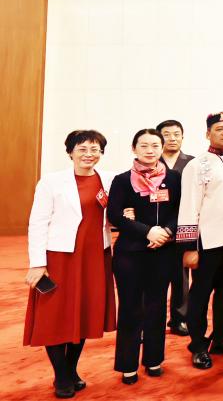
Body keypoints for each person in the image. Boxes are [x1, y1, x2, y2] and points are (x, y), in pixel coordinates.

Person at [25, 130, 116, 398]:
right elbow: (38, 222)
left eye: (95, 149)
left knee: (85, 313)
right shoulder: (51, 182)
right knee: (54, 316)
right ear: (70, 152)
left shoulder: (109, 180)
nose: (89, 154)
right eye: (82, 149)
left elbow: (117, 214)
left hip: (95, 257)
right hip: (60, 257)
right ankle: (61, 375)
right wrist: (37, 263)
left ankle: (71, 369)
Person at [176, 111, 223, 369]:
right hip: (209, 243)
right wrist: (189, 248)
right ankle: (198, 344)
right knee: (200, 293)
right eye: (220, 129)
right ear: (208, 133)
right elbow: (189, 206)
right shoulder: (198, 165)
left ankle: (221, 337)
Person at [108, 129, 181, 384]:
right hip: (130, 252)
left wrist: (166, 232)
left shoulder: (174, 178)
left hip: (163, 252)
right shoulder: (122, 180)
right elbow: (114, 215)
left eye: (155, 145)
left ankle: (153, 359)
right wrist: (148, 231)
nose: (150, 150)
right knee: (130, 307)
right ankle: (127, 364)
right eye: (144, 145)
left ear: (161, 148)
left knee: (157, 306)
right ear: (134, 149)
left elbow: (181, 210)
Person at [157, 119, 192, 336]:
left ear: (182, 137)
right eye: (167, 134)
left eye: (176, 134)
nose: (172, 138)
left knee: (181, 276)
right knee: (154, 277)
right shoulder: (151, 161)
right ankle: (152, 321)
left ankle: (179, 319)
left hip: (183, 226)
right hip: (155, 229)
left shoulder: (193, 163)